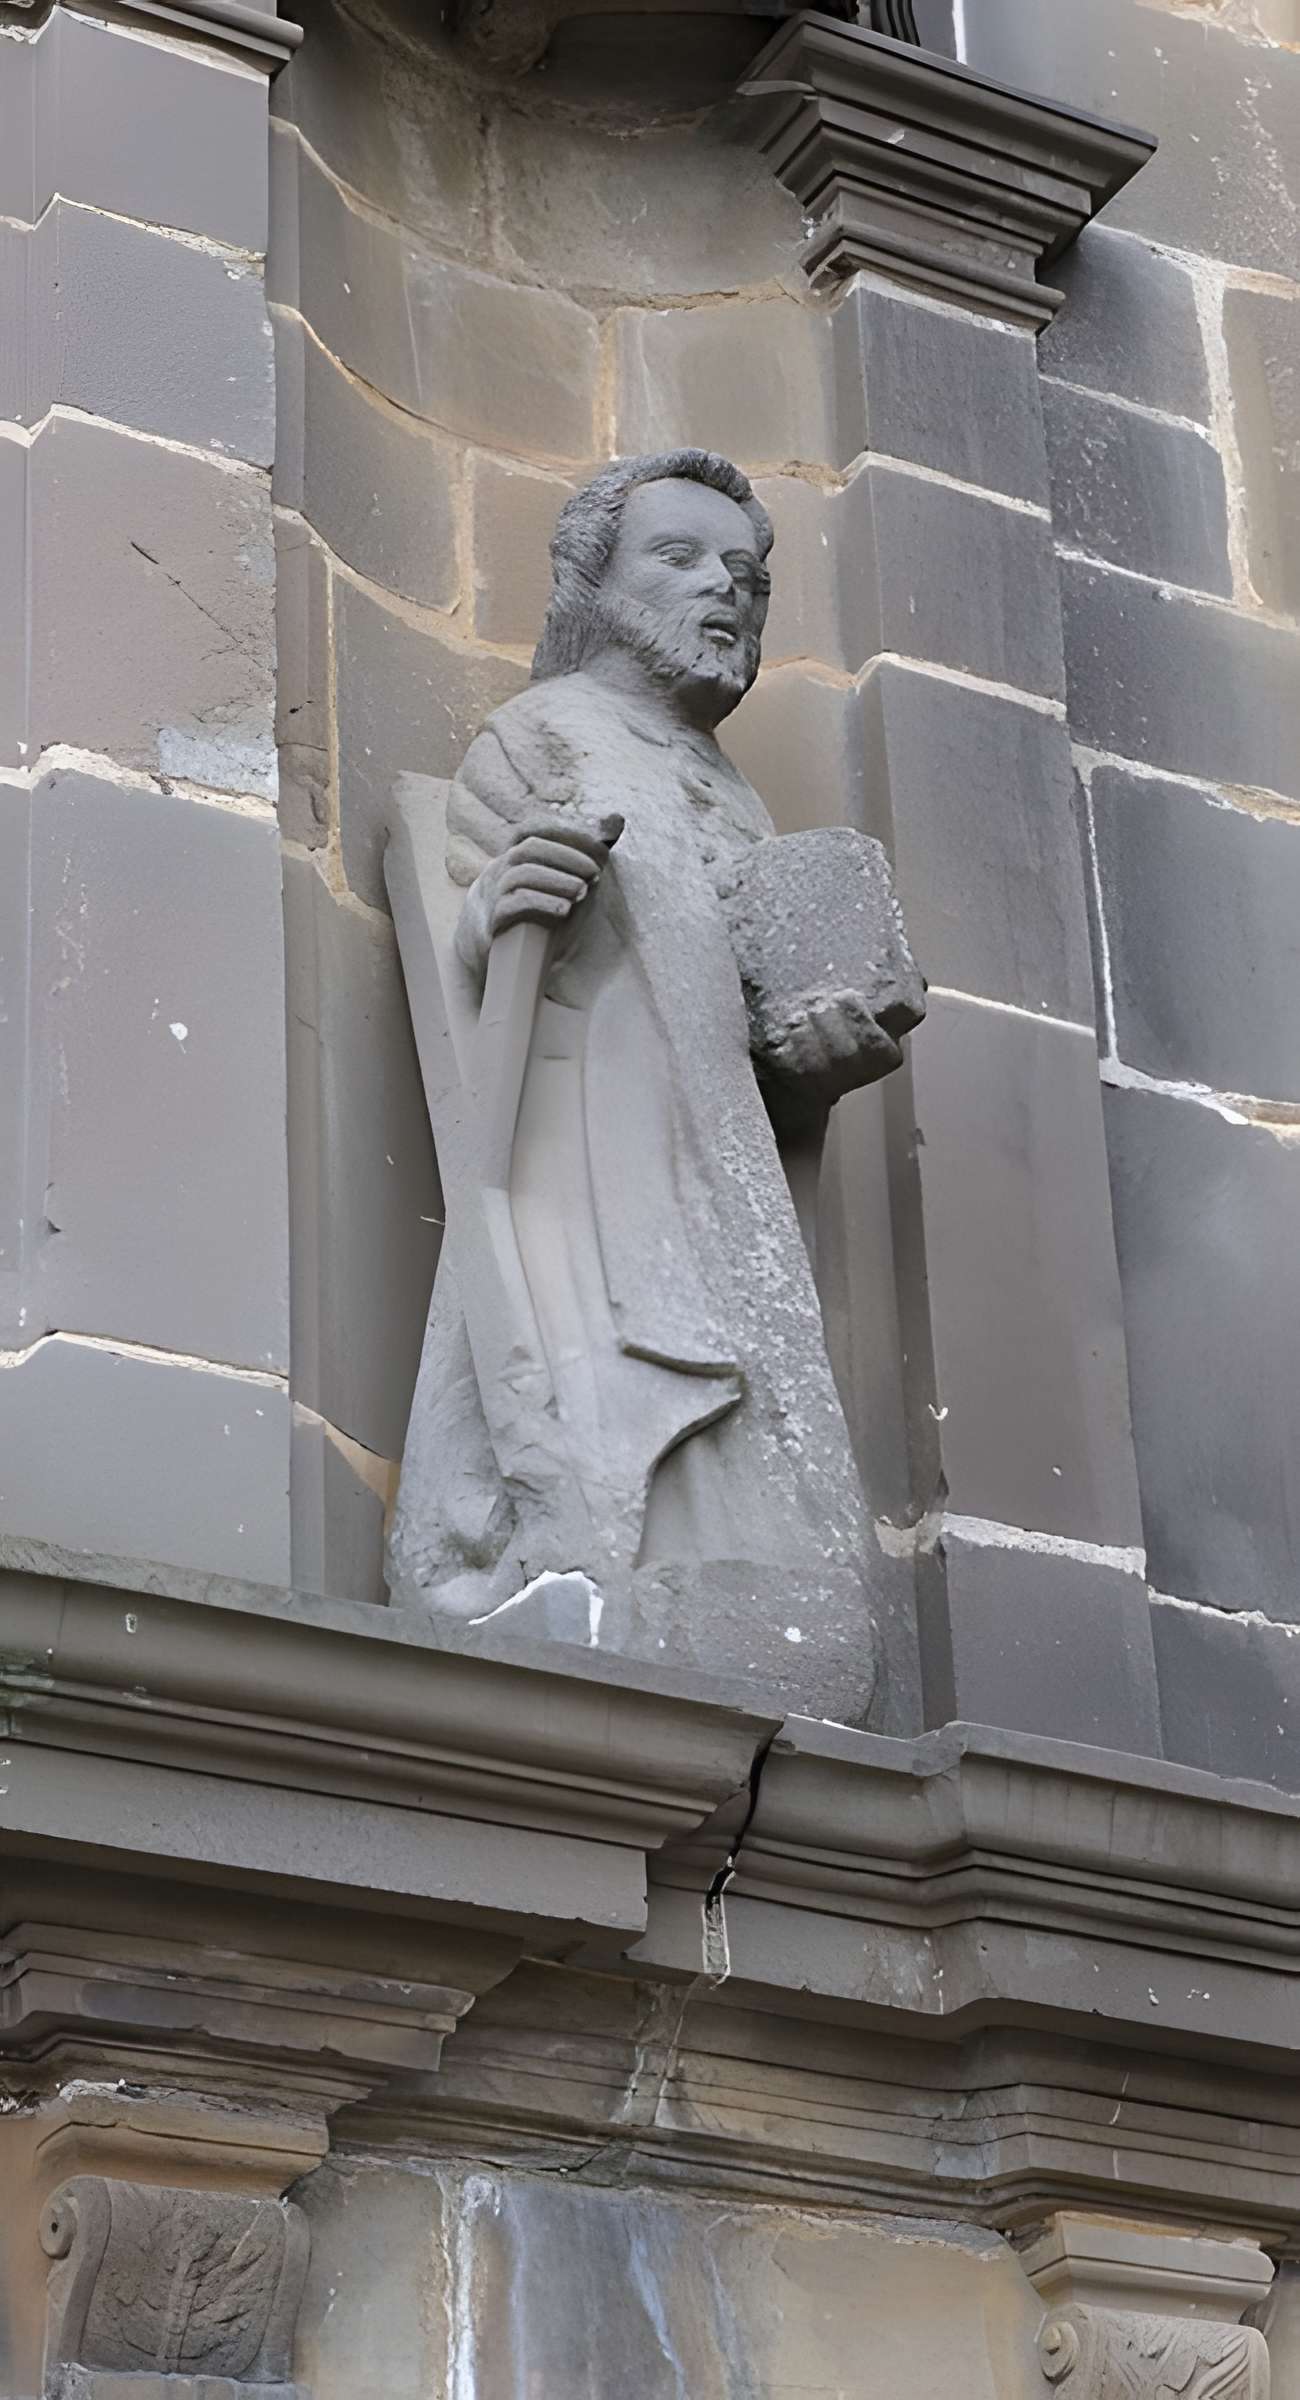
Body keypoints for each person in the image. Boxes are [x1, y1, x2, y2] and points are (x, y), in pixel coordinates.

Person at [385, 450, 922, 1715]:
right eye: (679, 560)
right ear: (595, 583)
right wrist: (504, 908)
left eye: (746, 573)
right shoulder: (545, 733)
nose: (723, 590)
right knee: (622, 1380)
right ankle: (598, 1557)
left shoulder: (739, 800)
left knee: (743, 1389)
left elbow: (752, 1031)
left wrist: (816, 1057)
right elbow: (476, 932)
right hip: (596, 1159)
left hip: (725, 1181)